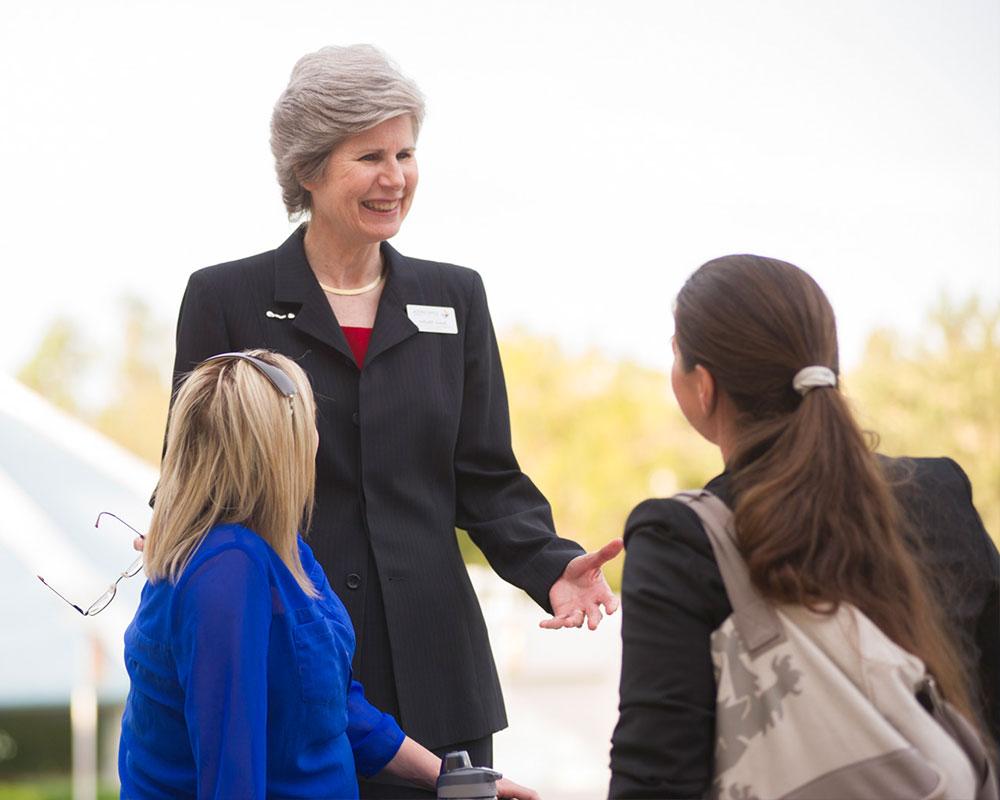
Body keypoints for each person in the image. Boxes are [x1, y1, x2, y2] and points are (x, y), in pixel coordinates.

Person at [163, 44, 621, 796]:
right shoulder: (225, 299)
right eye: (369, 155)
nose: (396, 176)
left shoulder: (457, 297)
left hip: (437, 677)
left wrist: (550, 567)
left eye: (406, 152)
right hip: (291, 659)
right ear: (309, 169)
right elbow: (193, 479)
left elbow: (485, 476)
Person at [608, 255, 999, 798]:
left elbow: (655, 778)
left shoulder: (682, 540)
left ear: (704, 386)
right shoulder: (940, 494)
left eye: (676, 353)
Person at [120, 350, 538, 799]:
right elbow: (230, 775)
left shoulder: (280, 549)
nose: (319, 439)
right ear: (282, 445)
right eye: (312, 422)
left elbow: (334, 705)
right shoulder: (228, 569)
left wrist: (448, 776)